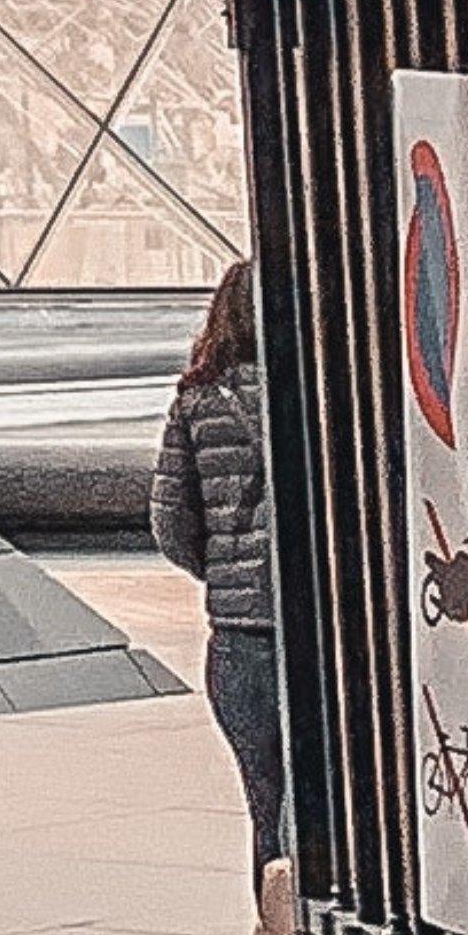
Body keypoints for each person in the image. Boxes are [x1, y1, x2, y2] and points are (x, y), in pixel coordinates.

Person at [153, 260, 282, 862]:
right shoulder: (314, 387)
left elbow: (170, 523)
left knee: (266, 804)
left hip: (239, 632)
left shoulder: (197, 399)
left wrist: (224, 570)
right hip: (316, 627)